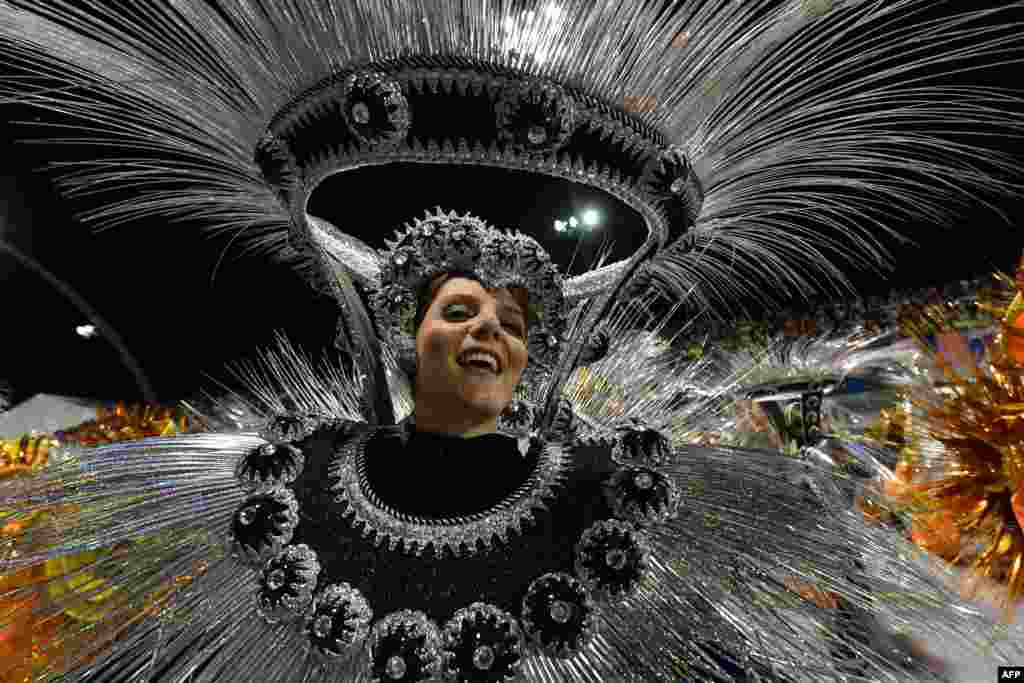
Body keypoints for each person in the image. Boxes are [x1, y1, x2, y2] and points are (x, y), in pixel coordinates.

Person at [0, 2, 1022, 681]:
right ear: (405, 332)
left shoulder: (631, 496)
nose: (488, 328)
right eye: (458, 309)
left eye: (513, 319)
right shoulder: (265, 492)